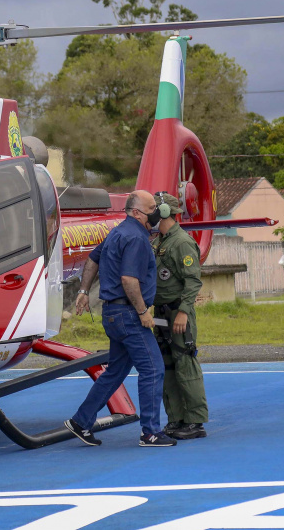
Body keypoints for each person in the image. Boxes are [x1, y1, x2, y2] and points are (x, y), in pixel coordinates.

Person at [66, 190, 177, 447]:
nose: (156, 213)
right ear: (137, 212)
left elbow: (93, 259)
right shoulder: (136, 238)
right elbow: (129, 279)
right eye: (151, 208)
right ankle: (150, 432)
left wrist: (83, 291)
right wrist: (142, 312)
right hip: (128, 315)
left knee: (116, 371)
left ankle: (80, 421)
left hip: (112, 314)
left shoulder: (118, 232)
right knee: (152, 368)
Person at [150, 192, 208, 440]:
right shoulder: (159, 242)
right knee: (167, 365)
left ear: (164, 212)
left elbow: (193, 281)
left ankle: (195, 421)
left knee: (185, 361)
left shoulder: (181, 242)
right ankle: (176, 418)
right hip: (161, 313)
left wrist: (183, 311)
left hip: (177, 312)